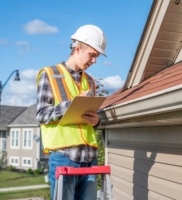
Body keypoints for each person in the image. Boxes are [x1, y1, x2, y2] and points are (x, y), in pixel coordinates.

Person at [36, 24, 107, 200]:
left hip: (89, 157)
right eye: (92, 55)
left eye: (96, 57)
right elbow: (42, 114)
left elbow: (89, 120)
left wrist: (96, 121)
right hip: (64, 156)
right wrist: (71, 104)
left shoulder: (90, 82)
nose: (94, 61)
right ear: (77, 48)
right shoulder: (50, 74)